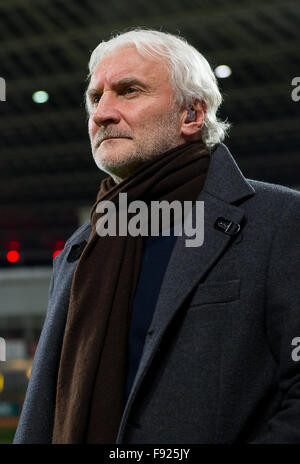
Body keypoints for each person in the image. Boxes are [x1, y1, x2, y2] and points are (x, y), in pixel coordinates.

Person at [14, 28, 300, 444]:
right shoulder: (79, 249)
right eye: (96, 98)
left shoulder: (280, 221)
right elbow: (45, 407)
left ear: (192, 114)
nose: (102, 114)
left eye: (128, 91)